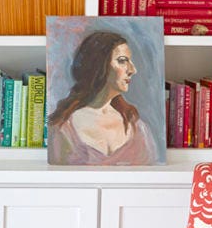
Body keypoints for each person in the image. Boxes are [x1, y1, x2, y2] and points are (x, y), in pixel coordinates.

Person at [47, 30, 159, 165]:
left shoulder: (137, 127)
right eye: (122, 61)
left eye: (130, 61)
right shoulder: (64, 128)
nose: (132, 70)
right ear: (99, 65)